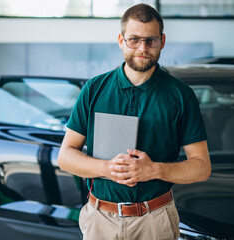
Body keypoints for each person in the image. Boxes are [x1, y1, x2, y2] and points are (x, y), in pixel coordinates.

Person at [58, 3, 211, 240]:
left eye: (151, 40)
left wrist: (154, 170)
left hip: (155, 220)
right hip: (101, 220)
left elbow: (201, 167)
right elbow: (65, 157)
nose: (142, 48)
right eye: (134, 39)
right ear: (121, 40)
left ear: (162, 41)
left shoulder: (181, 96)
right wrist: (106, 168)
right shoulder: (94, 89)